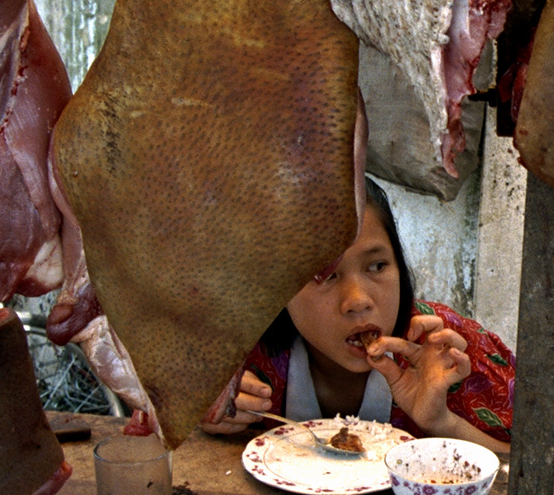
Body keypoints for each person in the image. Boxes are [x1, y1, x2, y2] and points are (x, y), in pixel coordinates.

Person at [200, 179, 514, 451]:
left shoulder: (449, 352)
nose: (358, 301)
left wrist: (440, 422)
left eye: (377, 266)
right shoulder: (238, 360)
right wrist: (198, 411)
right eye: (324, 275)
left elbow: (533, 480)